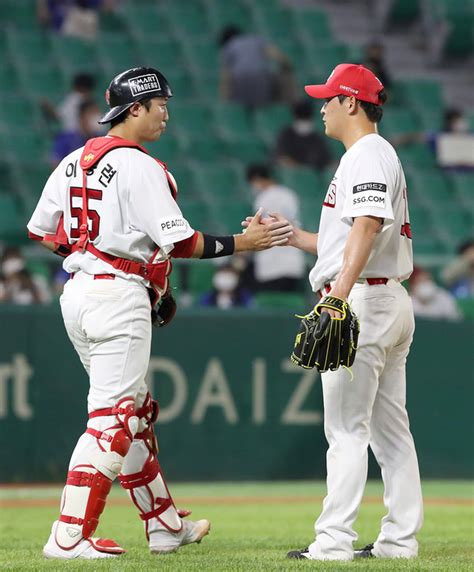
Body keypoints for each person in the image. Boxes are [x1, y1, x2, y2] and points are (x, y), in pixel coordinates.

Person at [27, 66, 292, 560]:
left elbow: (44, 232)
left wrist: (95, 255)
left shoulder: (71, 161)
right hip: (117, 299)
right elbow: (184, 242)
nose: (166, 113)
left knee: (136, 415)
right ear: (135, 110)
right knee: (113, 418)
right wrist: (244, 242)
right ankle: (69, 534)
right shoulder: (138, 165)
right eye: (160, 105)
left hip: (78, 294)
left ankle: (164, 525)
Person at [247, 63, 424, 560]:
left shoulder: (367, 153)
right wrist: (290, 235)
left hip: (364, 298)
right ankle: (398, 542)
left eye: (329, 98)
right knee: (391, 431)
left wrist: (336, 295)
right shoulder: (371, 155)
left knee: (346, 429)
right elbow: (344, 240)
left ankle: (332, 543)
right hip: (385, 296)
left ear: (351, 103)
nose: (322, 107)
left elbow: (367, 225)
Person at [246, 163, 306, 292]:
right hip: (292, 260)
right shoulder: (289, 194)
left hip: (270, 262)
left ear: (257, 179)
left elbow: (261, 227)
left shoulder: (263, 198)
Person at [218, 25, 293, 109]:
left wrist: (224, 99)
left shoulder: (229, 46)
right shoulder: (255, 40)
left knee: (242, 107)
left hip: (240, 81)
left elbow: (226, 75)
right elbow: (277, 55)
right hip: (261, 77)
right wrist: (286, 65)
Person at [274, 100, 333, 171]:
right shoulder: (286, 135)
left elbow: (327, 160)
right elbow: (281, 158)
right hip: (294, 175)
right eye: (302, 120)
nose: (304, 123)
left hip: (316, 174)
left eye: (306, 120)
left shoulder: (317, 138)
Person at [51, 100, 102, 166]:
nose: (95, 118)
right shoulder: (65, 139)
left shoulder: (102, 140)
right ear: (81, 117)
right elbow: (55, 164)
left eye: (96, 113)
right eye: (91, 113)